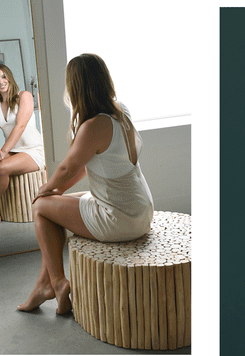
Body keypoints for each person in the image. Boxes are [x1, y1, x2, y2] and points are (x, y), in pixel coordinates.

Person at [17, 54, 154, 313]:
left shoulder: (93, 126)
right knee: (51, 208)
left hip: (119, 217)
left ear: (76, 86)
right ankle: (44, 284)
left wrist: (45, 191)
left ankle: (55, 283)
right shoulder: (120, 111)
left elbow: (69, 167)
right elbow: (86, 164)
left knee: (40, 208)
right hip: (140, 209)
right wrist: (57, 192)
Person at [0, 63, 45, 231]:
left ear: (9, 77)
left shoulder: (23, 96)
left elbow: (20, 126)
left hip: (33, 150)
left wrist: (2, 152)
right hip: (12, 150)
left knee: (1, 168)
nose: (1, 81)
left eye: (3, 77)